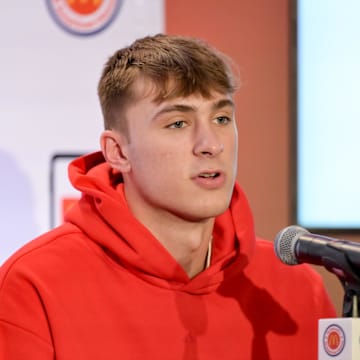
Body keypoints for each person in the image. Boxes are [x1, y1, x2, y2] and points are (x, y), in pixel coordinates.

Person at [0, 34, 336, 359]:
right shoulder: (35, 285)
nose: (211, 144)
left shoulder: (297, 288)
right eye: (177, 123)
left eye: (221, 118)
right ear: (117, 151)